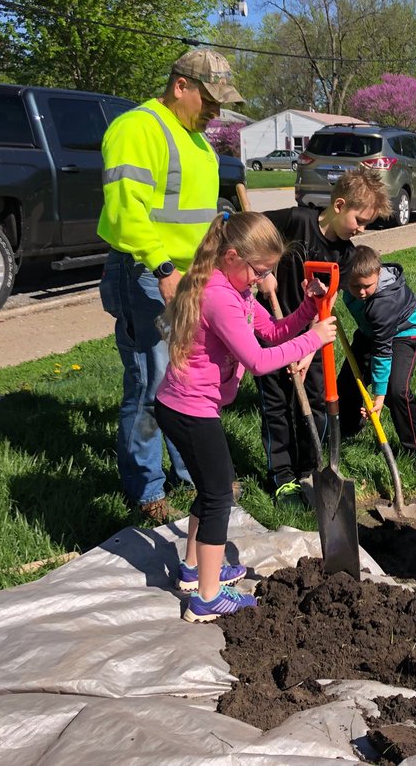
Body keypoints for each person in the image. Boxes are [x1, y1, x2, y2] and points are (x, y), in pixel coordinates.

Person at [154, 211, 336, 621]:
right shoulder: (219, 296)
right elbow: (257, 360)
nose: (261, 279)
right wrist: (313, 339)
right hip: (189, 410)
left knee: (208, 488)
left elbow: (271, 332)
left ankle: (191, 569)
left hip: (187, 406)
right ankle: (205, 596)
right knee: (219, 494)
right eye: (259, 271)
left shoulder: (237, 291)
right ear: (232, 256)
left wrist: (308, 308)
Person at [97, 48, 244, 524]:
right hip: (146, 272)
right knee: (150, 382)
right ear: (180, 85)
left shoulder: (197, 139)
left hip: (191, 275)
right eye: (209, 100)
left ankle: (191, 469)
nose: (215, 113)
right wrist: (162, 269)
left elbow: (197, 211)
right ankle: (146, 489)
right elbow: (126, 210)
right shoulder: (138, 129)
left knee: (187, 378)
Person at [257, 170, 390, 501]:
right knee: (277, 404)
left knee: (316, 400)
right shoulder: (296, 220)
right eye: (359, 220)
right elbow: (251, 233)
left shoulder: (345, 255)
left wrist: (306, 352)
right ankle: (282, 475)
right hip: (270, 331)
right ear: (340, 205)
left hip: (310, 337)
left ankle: (310, 469)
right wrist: (263, 274)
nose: (361, 229)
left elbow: (325, 306)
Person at [339, 245, 416, 476]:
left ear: (378, 274)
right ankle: (350, 426)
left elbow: (382, 351)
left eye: (366, 286)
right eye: (354, 286)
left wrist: (378, 398)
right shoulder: (347, 280)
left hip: (404, 332)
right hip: (371, 330)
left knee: (396, 391)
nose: (360, 292)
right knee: (347, 383)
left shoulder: (383, 302)